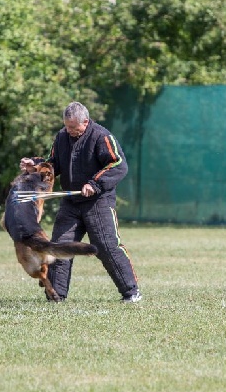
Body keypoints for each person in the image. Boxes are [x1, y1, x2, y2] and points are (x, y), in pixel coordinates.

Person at [20, 101, 141, 303]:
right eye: (67, 127)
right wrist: (35, 166)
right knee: (59, 246)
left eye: (74, 128)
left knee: (106, 246)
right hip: (71, 203)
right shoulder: (61, 137)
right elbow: (53, 164)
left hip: (99, 202)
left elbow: (118, 164)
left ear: (85, 122)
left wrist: (95, 184)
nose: (69, 131)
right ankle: (56, 296)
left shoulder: (101, 136)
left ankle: (131, 292)